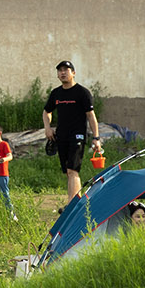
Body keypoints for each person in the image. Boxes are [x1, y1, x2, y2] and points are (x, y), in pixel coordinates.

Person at [44, 60, 100, 202]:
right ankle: (77, 201)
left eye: (66, 70)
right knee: (69, 173)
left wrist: (96, 138)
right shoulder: (56, 93)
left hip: (78, 135)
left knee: (73, 170)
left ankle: (71, 204)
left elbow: (91, 116)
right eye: (60, 70)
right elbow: (46, 112)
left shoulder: (82, 92)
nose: (62, 72)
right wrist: (47, 127)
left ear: (73, 73)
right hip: (61, 136)